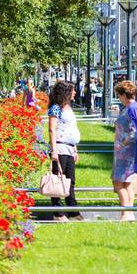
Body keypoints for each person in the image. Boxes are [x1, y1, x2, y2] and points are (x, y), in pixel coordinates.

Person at [111, 80, 137, 222]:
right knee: (127, 183)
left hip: (125, 152)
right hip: (126, 151)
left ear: (123, 95)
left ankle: (126, 213)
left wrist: (122, 144)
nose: (118, 98)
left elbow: (134, 132)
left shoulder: (131, 108)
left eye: (119, 95)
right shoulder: (133, 107)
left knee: (118, 182)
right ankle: (128, 213)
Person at [46, 81, 81, 221]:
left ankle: (72, 209)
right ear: (66, 92)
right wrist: (54, 151)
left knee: (70, 180)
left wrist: (75, 149)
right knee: (57, 179)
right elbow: (52, 129)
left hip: (69, 148)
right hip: (60, 148)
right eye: (72, 90)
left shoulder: (68, 108)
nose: (75, 93)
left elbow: (71, 129)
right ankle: (58, 212)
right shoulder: (56, 108)